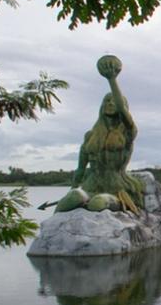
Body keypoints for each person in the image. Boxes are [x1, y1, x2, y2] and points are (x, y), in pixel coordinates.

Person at [53, 55, 144, 213]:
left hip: (117, 188)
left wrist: (112, 80)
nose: (110, 104)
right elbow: (80, 169)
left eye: (114, 101)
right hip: (91, 185)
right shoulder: (90, 136)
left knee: (98, 203)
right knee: (74, 197)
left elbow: (123, 111)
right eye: (107, 101)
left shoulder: (128, 132)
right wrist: (73, 187)